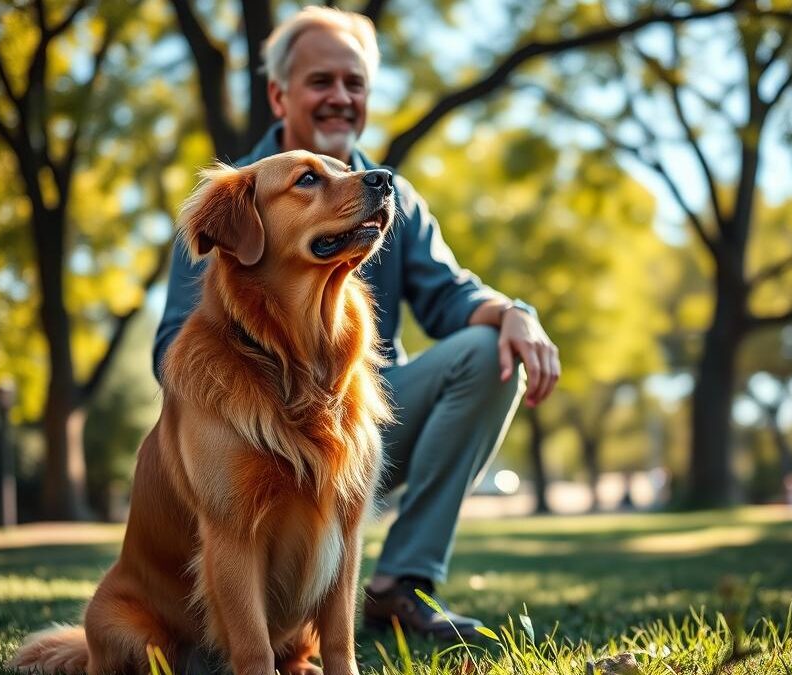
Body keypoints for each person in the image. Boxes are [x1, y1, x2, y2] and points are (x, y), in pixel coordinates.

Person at [153, 6, 560, 641]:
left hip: (353, 435)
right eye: (322, 82)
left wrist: (517, 314)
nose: (341, 97)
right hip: (249, 445)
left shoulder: (388, 194)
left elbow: (452, 296)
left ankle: (401, 585)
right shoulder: (232, 203)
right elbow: (172, 359)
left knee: (490, 351)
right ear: (278, 94)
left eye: (355, 83)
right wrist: (262, 404)